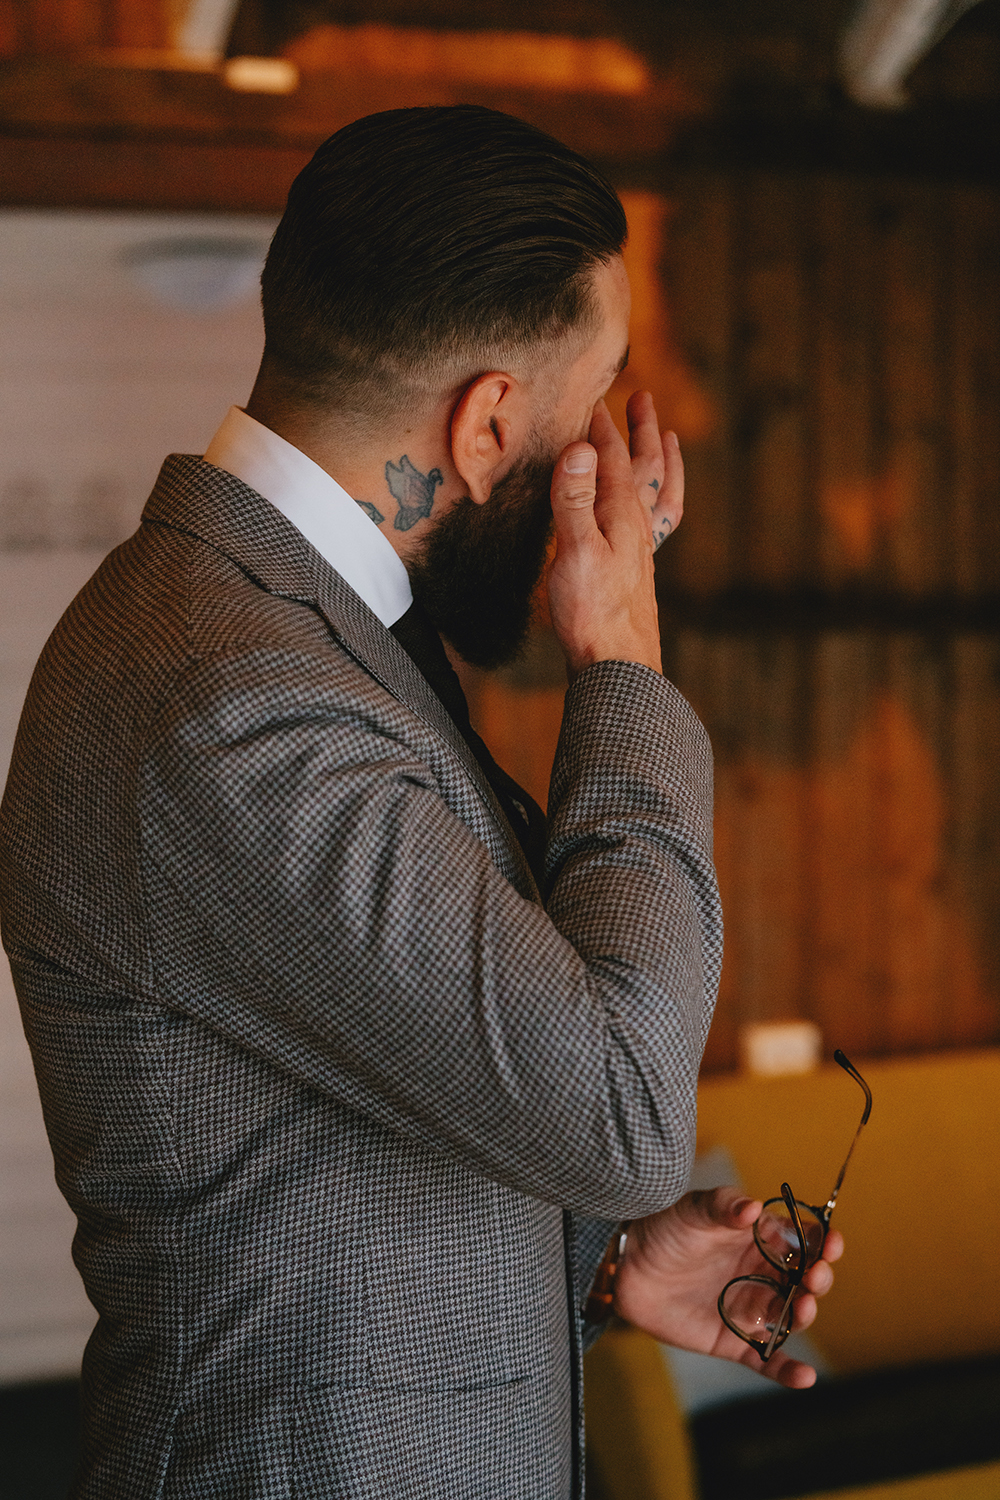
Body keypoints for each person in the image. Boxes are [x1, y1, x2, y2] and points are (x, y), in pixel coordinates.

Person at [0, 105, 840, 1498]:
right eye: (602, 393)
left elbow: (353, 1122)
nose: (619, 460)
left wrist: (607, 1266)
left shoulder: (314, 634)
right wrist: (622, 656)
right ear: (492, 420)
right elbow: (624, 1110)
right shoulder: (230, 700)